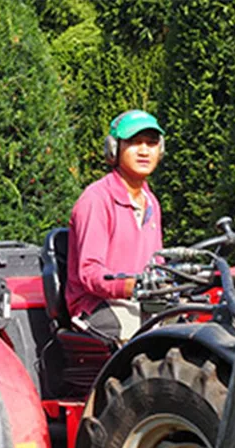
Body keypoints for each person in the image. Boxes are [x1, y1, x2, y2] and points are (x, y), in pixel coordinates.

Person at [65, 109, 165, 341]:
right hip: (97, 306)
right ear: (114, 149)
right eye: (134, 142)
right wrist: (133, 287)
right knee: (147, 339)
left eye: (151, 144)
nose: (144, 151)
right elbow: (90, 273)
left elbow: (158, 263)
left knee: (193, 324)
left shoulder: (152, 202)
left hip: (140, 301)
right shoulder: (96, 199)